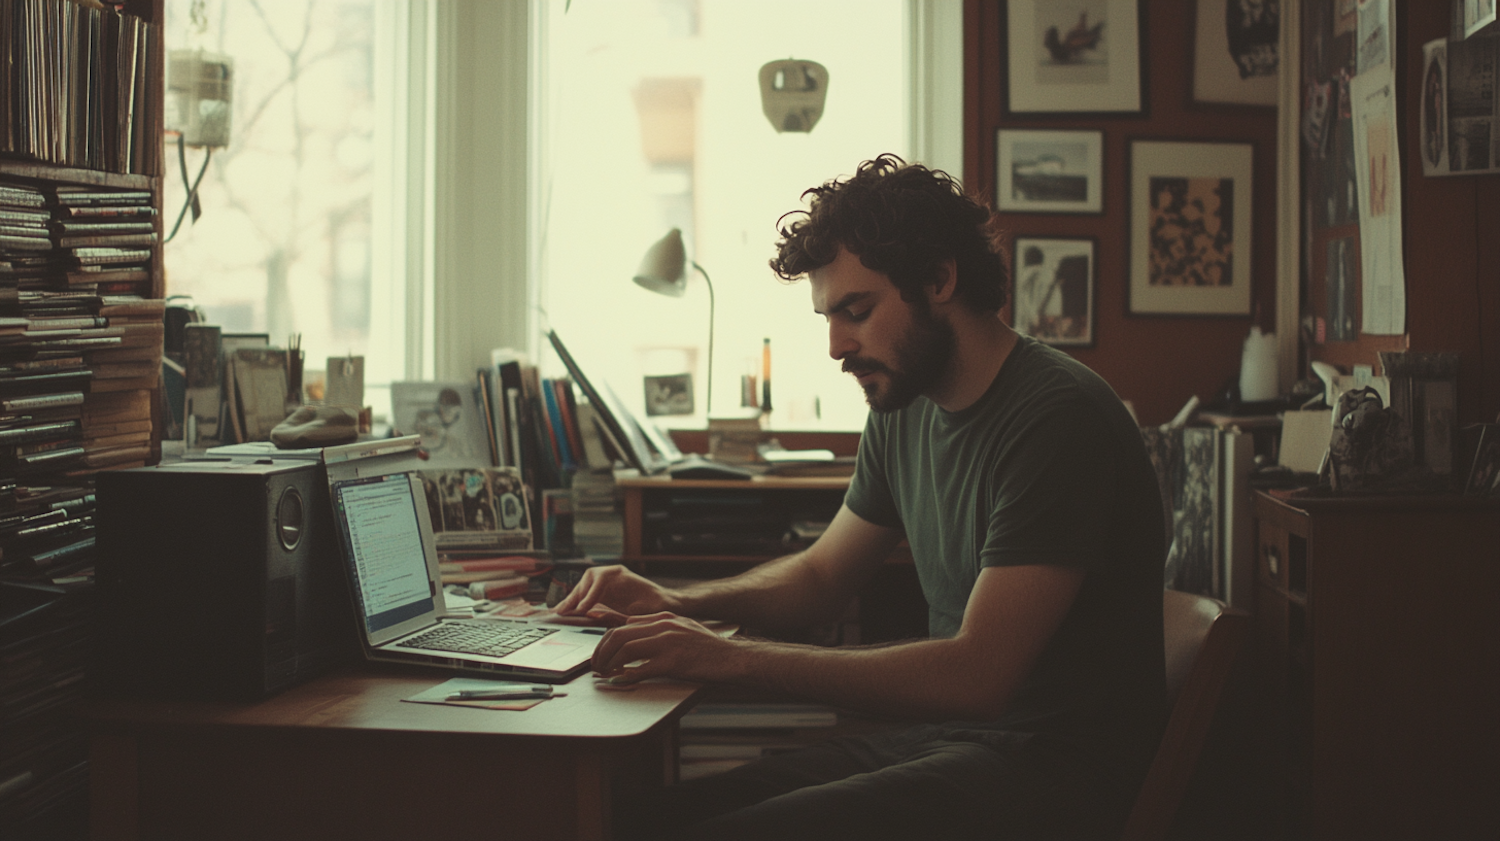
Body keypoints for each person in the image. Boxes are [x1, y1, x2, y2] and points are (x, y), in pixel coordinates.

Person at [555, 154, 1167, 840]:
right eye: (829, 316)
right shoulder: (902, 406)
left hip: (1056, 773)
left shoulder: (1058, 416)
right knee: (645, 818)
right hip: (957, 741)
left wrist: (728, 655)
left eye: (857, 310)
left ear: (939, 278)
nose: (836, 345)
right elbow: (820, 576)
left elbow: (978, 674)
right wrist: (678, 603)